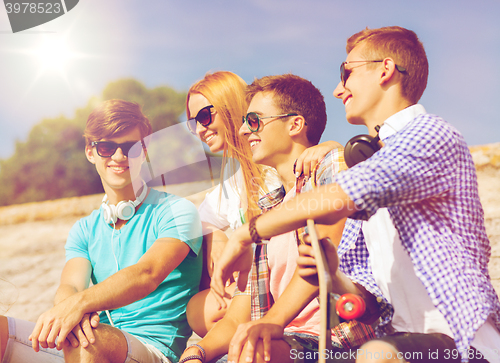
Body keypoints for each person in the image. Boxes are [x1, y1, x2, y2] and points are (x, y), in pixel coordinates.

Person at [211, 26, 500, 363]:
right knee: (260, 352)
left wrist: (244, 235)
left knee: (376, 354)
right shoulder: (374, 164)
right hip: (393, 338)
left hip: (462, 341)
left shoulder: (431, 134)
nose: (338, 90)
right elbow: (366, 301)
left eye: (346, 73)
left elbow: (337, 196)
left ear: (386, 69)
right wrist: (333, 277)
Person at [180, 74, 374, 363]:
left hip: (334, 339)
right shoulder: (268, 211)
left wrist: (269, 323)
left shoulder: (329, 165)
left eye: (254, 121)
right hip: (283, 339)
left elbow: (321, 258)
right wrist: (195, 352)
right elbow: (236, 319)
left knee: (252, 351)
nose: (244, 131)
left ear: (295, 124)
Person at [0, 99, 203, 363]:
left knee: (89, 342)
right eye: (107, 147)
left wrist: (81, 305)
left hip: (153, 350)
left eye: (130, 148)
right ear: (90, 152)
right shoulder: (84, 229)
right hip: (88, 343)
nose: (119, 157)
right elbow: (71, 284)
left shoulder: (177, 211)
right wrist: (71, 310)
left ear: (144, 150)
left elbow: (147, 274)